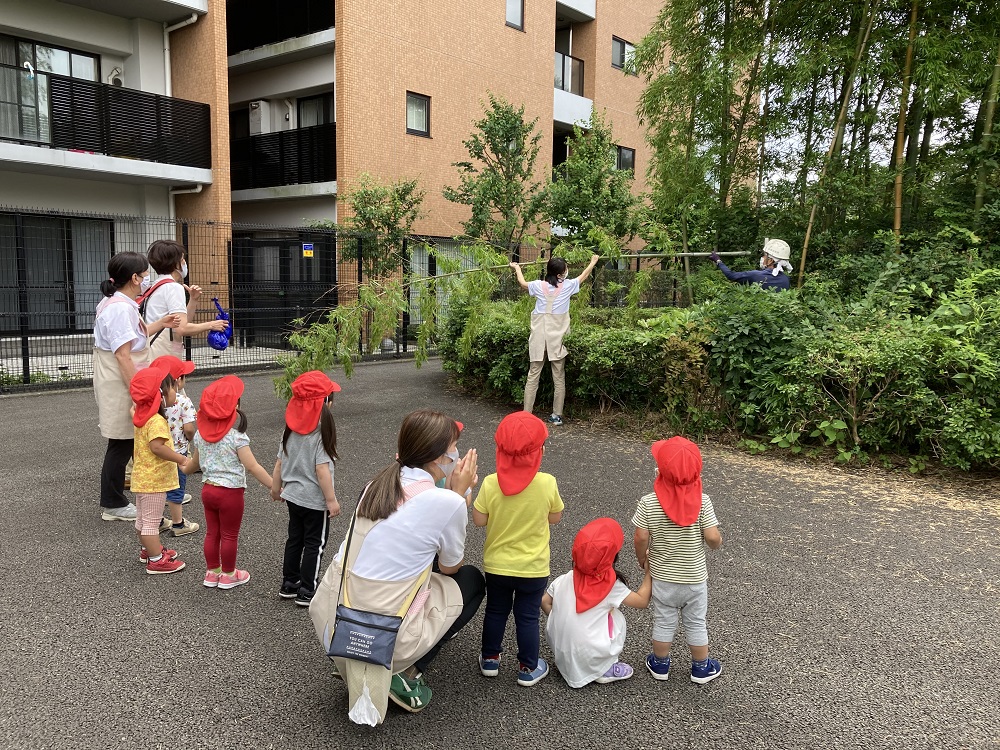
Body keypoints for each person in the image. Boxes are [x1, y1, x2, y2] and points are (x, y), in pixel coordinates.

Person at [309, 409, 484, 724]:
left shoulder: (380, 481)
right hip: (380, 640)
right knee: (472, 581)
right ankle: (406, 670)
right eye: (453, 449)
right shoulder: (446, 502)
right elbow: (450, 567)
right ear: (439, 458)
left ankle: (353, 662)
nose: (457, 456)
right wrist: (459, 495)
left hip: (333, 624)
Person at [473, 410, 564, 686]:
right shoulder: (547, 483)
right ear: (541, 451)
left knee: (496, 610)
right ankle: (528, 667)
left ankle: (490, 659)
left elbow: (479, 520)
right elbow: (555, 517)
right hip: (533, 568)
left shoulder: (490, 483)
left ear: (500, 450)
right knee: (527, 615)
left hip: (498, 566)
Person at [93, 252, 180, 521]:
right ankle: (113, 502)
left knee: (124, 440)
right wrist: (138, 392)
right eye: (144, 275)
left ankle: (117, 498)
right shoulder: (120, 308)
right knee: (121, 441)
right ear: (133, 278)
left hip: (119, 377)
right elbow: (123, 354)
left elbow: (132, 338)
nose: (146, 280)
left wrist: (159, 324)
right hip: (121, 380)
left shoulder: (117, 302)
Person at [632, 437, 724, 684]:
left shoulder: (649, 502)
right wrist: (716, 543)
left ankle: (661, 665)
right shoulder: (703, 501)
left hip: (663, 577)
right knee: (696, 622)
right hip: (695, 578)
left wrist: (643, 558)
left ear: (659, 471)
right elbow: (713, 537)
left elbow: (640, 536)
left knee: (664, 619)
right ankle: (701, 668)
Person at [183, 375, 273, 590]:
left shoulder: (201, 436)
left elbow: (192, 465)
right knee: (229, 535)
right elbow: (253, 467)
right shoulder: (236, 437)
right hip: (230, 493)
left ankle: (212, 572)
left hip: (208, 490)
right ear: (236, 407)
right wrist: (273, 485)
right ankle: (229, 574)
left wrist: (181, 466)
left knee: (212, 532)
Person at [542, 518, 653, 688]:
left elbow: (544, 601)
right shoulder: (611, 586)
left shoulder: (565, 578)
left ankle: (576, 661)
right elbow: (642, 601)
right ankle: (603, 669)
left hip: (562, 652)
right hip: (589, 654)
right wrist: (648, 572)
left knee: (572, 616)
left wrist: (562, 617)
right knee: (617, 617)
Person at [271, 371, 342, 607]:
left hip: (293, 496)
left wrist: (275, 487)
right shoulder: (321, 434)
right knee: (315, 543)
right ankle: (308, 589)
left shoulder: (289, 430)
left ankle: (289, 583)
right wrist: (331, 500)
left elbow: (280, 462)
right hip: (314, 500)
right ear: (323, 403)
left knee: (295, 539)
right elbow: (322, 471)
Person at [509, 254, 599, 426]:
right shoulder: (568, 286)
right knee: (558, 377)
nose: (567, 271)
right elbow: (584, 276)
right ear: (559, 274)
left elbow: (522, 283)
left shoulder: (537, 285)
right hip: (556, 338)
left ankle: (526, 414)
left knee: (533, 375)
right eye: (565, 269)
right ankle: (557, 415)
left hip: (538, 337)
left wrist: (517, 268)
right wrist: (592, 262)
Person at [128, 365, 190, 574]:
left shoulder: (141, 416)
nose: (177, 392)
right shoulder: (156, 421)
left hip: (143, 478)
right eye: (174, 388)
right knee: (151, 523)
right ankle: (156, 560)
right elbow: (157, 447)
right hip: (154, 480)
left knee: (143, 520)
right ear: (161, 395)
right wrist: (181, 458)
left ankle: (148, 550)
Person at [143, 239, 229, 359]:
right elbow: (182, 329)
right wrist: (211, 325)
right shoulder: (173, 288)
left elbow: (181, 321)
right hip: (164, 350)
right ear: (175, 264)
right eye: (182, 259)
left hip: (155, 346)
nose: (184, 263)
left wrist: (193, 300)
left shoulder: (157, 285)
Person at [149, 355, 200, 537]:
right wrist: (190, 437)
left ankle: (159, 520)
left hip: (157, 454)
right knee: (176, 489)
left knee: (159, 488)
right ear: (177, 381)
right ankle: (178, 524)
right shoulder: (183, 401)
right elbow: (189, 428)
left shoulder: (151, 403)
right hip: (177, 452)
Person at [709, 238, 792, 291]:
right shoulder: (786, 279)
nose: (763, 257)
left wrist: (718, 261)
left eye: (765, 255)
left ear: (770, 260)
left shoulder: (756, 275)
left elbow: (731, 276)